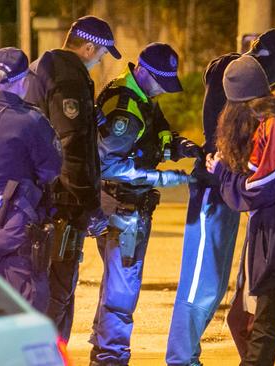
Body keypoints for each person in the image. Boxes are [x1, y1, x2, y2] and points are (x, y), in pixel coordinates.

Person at [165, 28, 275, 366]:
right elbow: (257, 187)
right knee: (203, 285)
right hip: (216, 193)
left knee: (226, 294)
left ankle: (188, 356)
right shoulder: (234, 73)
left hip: (241, 200)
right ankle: (181, 357)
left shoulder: (263, 107)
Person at [89, 42, 200, 366]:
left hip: (122, 206)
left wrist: (182, 146)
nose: (163, 92)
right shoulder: (127, 107)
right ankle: (110, 358)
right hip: (124, 208)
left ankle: (104, 353)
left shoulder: (140, 97)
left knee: (115, 288)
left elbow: (157, 135)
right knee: (121, 294)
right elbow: (107, 164)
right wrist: (165, 179)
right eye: (160, 84)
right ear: (144, 72)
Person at [207, 55, 275, 366]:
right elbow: (261, 175)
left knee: (262, 328)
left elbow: (259, 187)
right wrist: (226, 168)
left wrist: (223, 174)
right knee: (249, 323)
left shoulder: (274, 125)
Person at [25, 15, 120, 342]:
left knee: (47, 287)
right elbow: (72, 147)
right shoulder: (69, 79)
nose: (100, 61)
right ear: (89, 46)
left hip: (43, 200)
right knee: (58, 290)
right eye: (101, 54)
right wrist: (90, 207)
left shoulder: (43, 68)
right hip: (64, 204)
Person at [0, 47, 62, 312]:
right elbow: (51, 170)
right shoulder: (32, 121)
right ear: (23, 81)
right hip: (22, 227)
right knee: (28, 303)